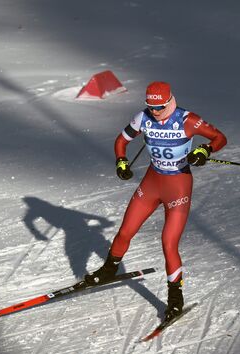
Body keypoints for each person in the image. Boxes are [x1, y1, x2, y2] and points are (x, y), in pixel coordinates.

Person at [85, 81, 227, 321]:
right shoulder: (143, 118)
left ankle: (175, 299)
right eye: (151, 107)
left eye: (160, 107)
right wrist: (121, 161)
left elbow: (219, 138)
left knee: (168, 243)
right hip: (152, 184)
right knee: (125, 231)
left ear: (169, 100)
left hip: (177, 186)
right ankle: (109, 269)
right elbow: (121, 141)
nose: (156, 111)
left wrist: (204, 151)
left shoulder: (187, 120)